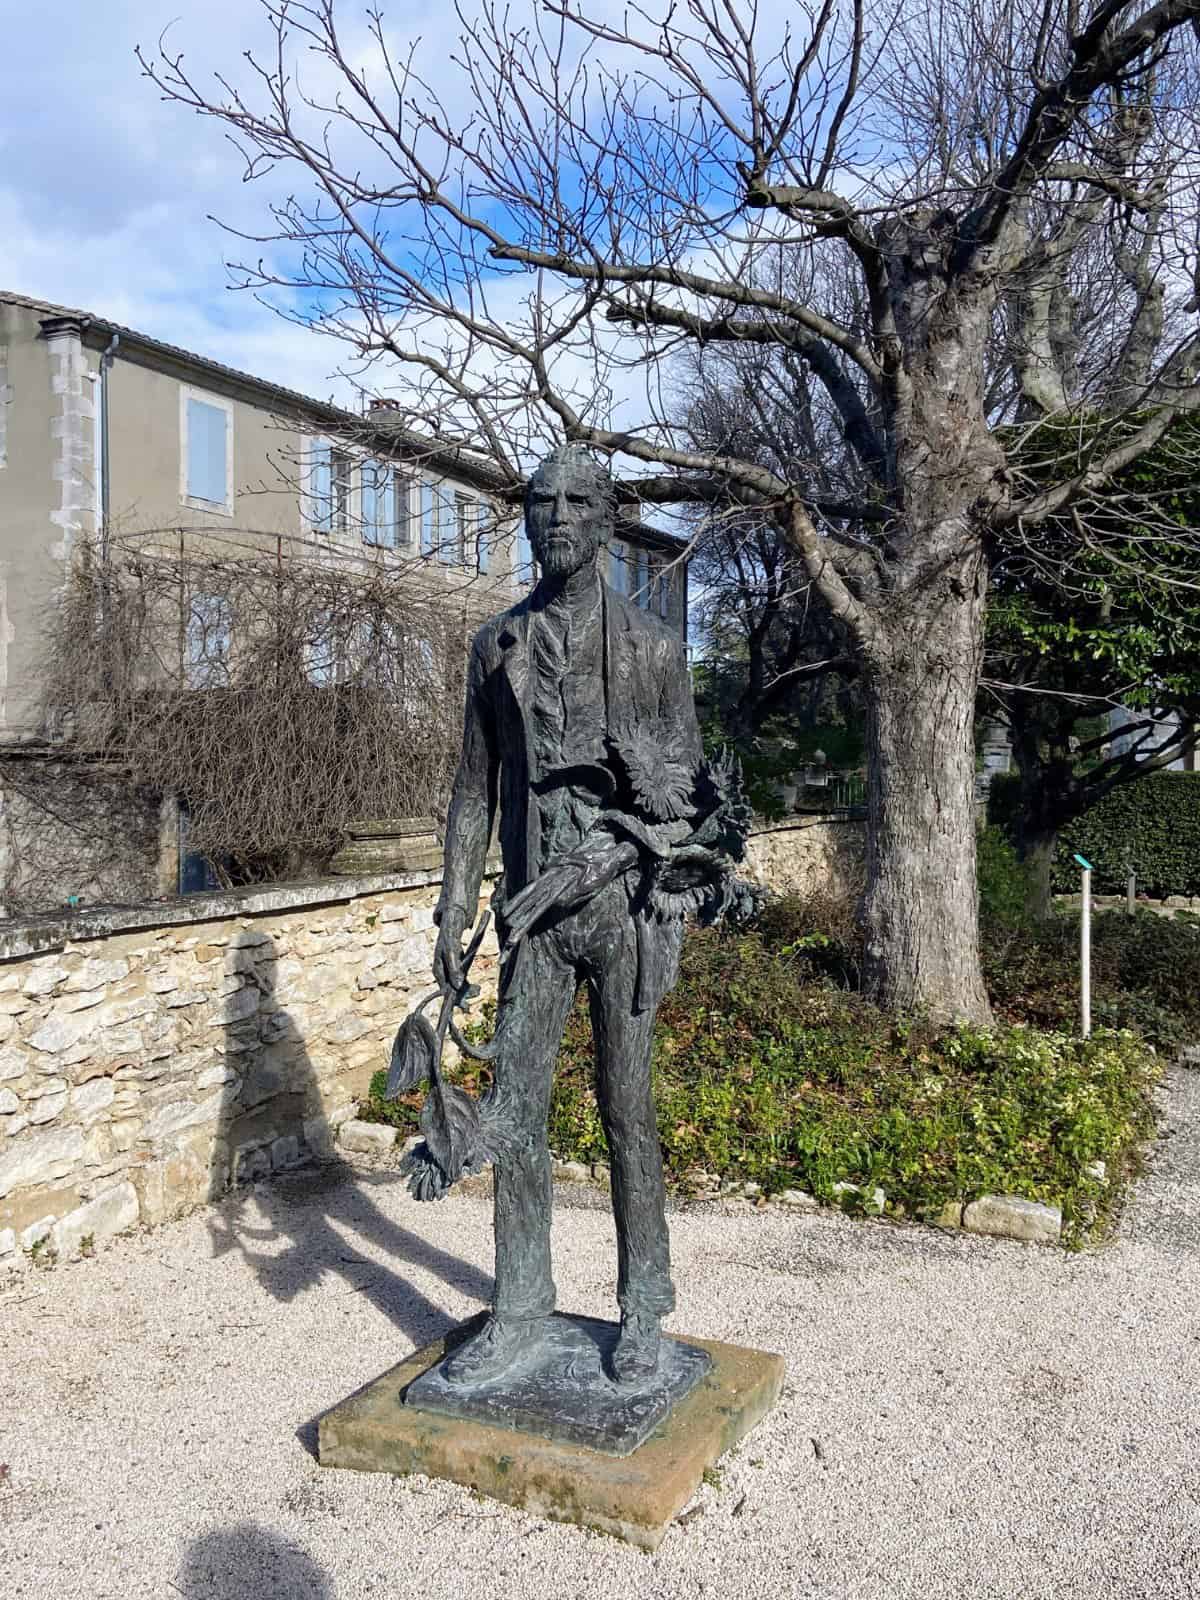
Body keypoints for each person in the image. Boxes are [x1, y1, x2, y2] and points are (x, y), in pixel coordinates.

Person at [431, 443, 703, 1386]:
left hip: (622, 911)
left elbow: (688, 798)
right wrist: (452, 904)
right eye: (539, 502)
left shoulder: (654, 647)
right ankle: (517, 1309)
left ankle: (645, 1309)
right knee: (516, 1112)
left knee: (630, 1111)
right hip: (530, 916)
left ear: (606, 515)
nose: (553, 516)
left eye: (574, 501)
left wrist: (636, 855)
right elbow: (474, 790)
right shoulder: (493, 645)